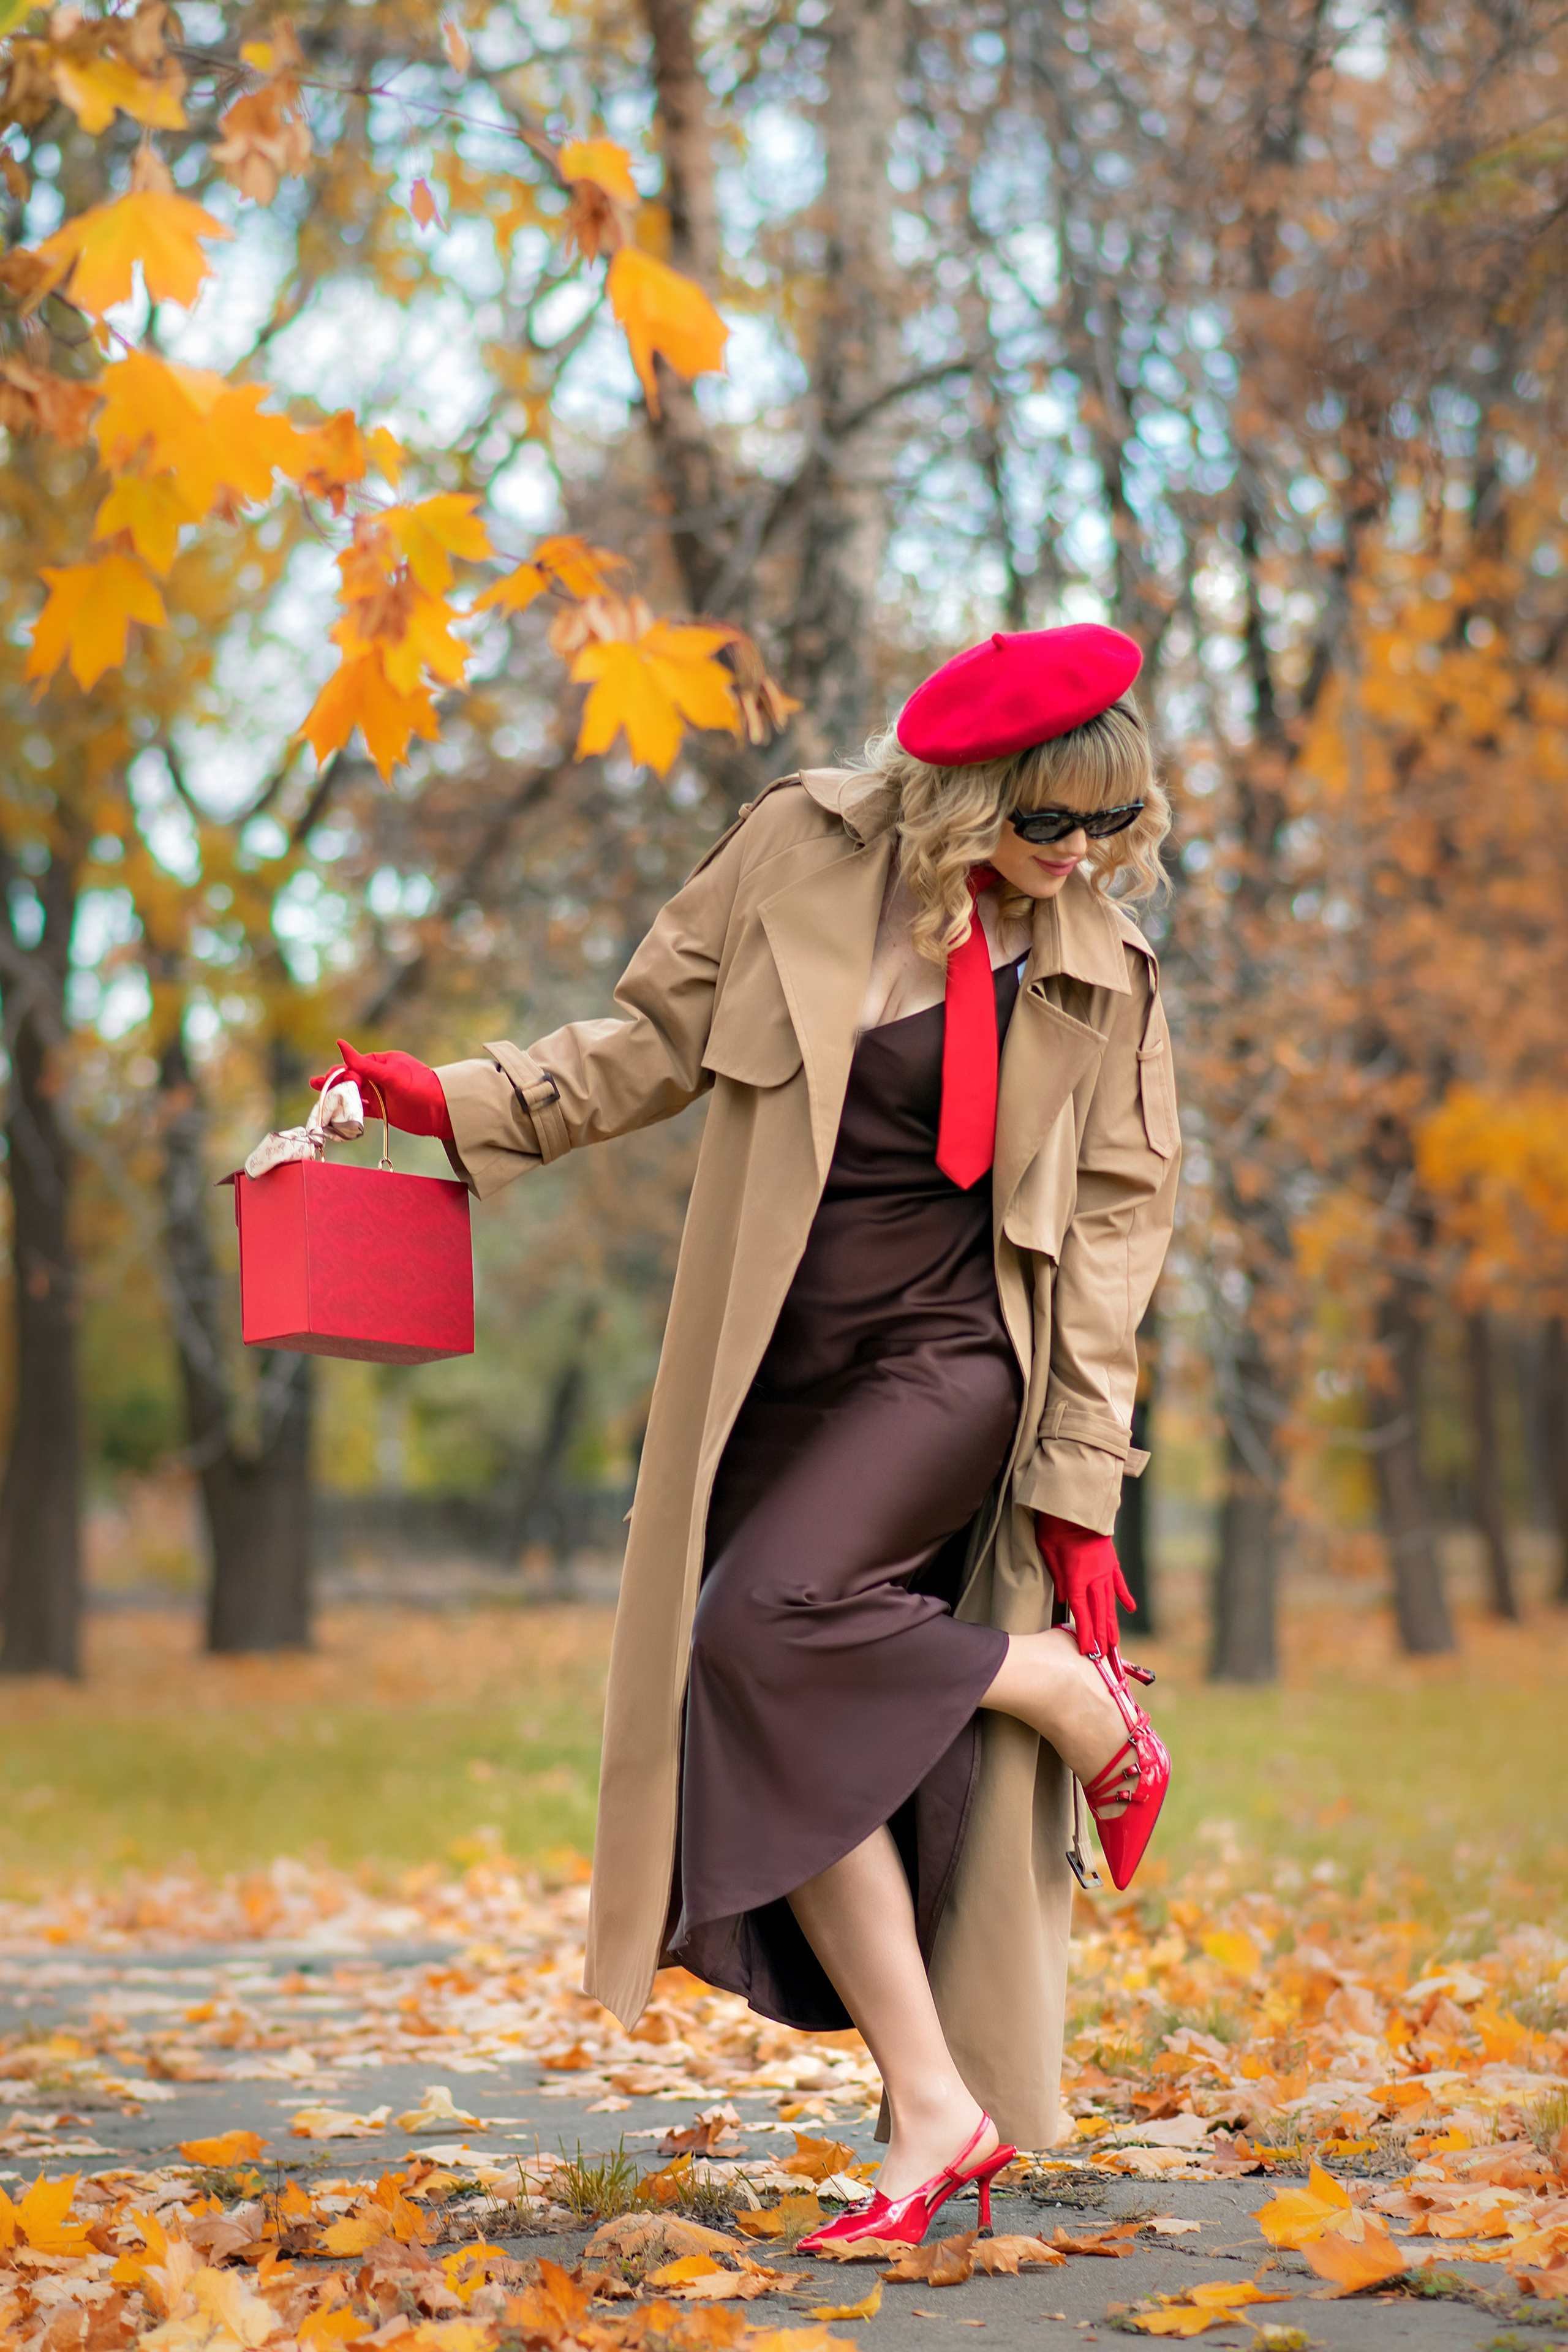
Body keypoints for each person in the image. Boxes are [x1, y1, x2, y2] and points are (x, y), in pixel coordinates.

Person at [315, 622, 1180, 2248]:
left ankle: (1061, 1693)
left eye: (1108, 826)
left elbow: (1121, 1234)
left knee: (760, 1627)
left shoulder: (1100, 972)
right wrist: (454, 1100)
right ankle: (936, 2112)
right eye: (1048, 820)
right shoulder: (798, 846)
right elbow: (647, 1041)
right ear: (967, 790)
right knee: (767, 1692)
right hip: (769, 1366)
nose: (1078, 860)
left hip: (949, 1360)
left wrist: (1077, 1490)